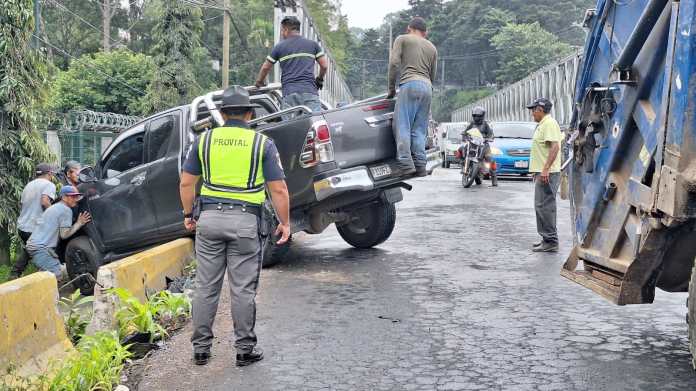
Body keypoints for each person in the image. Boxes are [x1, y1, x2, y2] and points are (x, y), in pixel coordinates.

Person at [179, 86, 291, 367]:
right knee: (242, 289)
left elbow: (186, 182)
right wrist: (284, 223)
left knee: (206, 286)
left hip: (209, 222)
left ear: (223, 113)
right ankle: (244, 351)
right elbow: (278, 189)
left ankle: (201, 351)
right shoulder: (262, 144)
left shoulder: (203, 141)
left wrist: (188, 214)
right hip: (245, 224)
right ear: (250, 113)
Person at [387, 17, 438, 177]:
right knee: (419, 129)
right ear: (425, 32)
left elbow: (394, 63)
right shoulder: (432, 47)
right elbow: (433, 74)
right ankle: (421, 165)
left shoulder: (402, 39)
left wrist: (391, 89)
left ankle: (405, 164)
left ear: (409, 28)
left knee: (402, 125)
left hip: (409, 84)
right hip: (427, 87)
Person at [254, 16, 328, 113]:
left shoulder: (279, 47)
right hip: (309, 91)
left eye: (282, 30)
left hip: (289, 93)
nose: (281, 33)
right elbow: (324, 66)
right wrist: (319, 79)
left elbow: (265, 68)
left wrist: (259, 82)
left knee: (291, 127)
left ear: (286, 29)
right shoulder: (313, 45)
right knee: (315, 123)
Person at [25, 186, 91, 278]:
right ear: (64, 197)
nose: (75, 199)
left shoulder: (54, 207)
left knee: (46, 276)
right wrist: (79, 223)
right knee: (58, 274)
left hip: (35, 247)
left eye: (76, 197)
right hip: (40, 249)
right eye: (72, 196)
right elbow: (64, 235)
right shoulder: (66, 210)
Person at [527, 98, 563, 253]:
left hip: (548, 173)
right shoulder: (543, 124)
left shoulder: (549, 123)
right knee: (540, 206)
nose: (531, 113)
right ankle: (546, 239)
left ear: (540, 110)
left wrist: (546, 169)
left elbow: (555, 147)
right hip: (543, 173)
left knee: (545, 207)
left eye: (533, 110)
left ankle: (551, 241)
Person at [10, 163, 57, 279]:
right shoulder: (49, 185)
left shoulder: (28, 186)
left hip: (23, 227)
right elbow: (45, 201)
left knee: (29, 251)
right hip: (35, 228)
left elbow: (23, 205)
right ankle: (45, 280)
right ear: (50, 173)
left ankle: (15, 274)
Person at [464, 106, 497, 187]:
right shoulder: (472, 124)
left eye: (478, 116)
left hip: (483, 145)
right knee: (463, 148)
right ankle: (463, 163)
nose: (476, 117)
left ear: (482, 116)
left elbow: (490, 134)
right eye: (474, 115)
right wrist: (464, 135)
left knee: (490, 159)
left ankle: (494, 178)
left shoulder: (485, 124)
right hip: (473, 144)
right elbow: (465, 131)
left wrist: (489, 138)